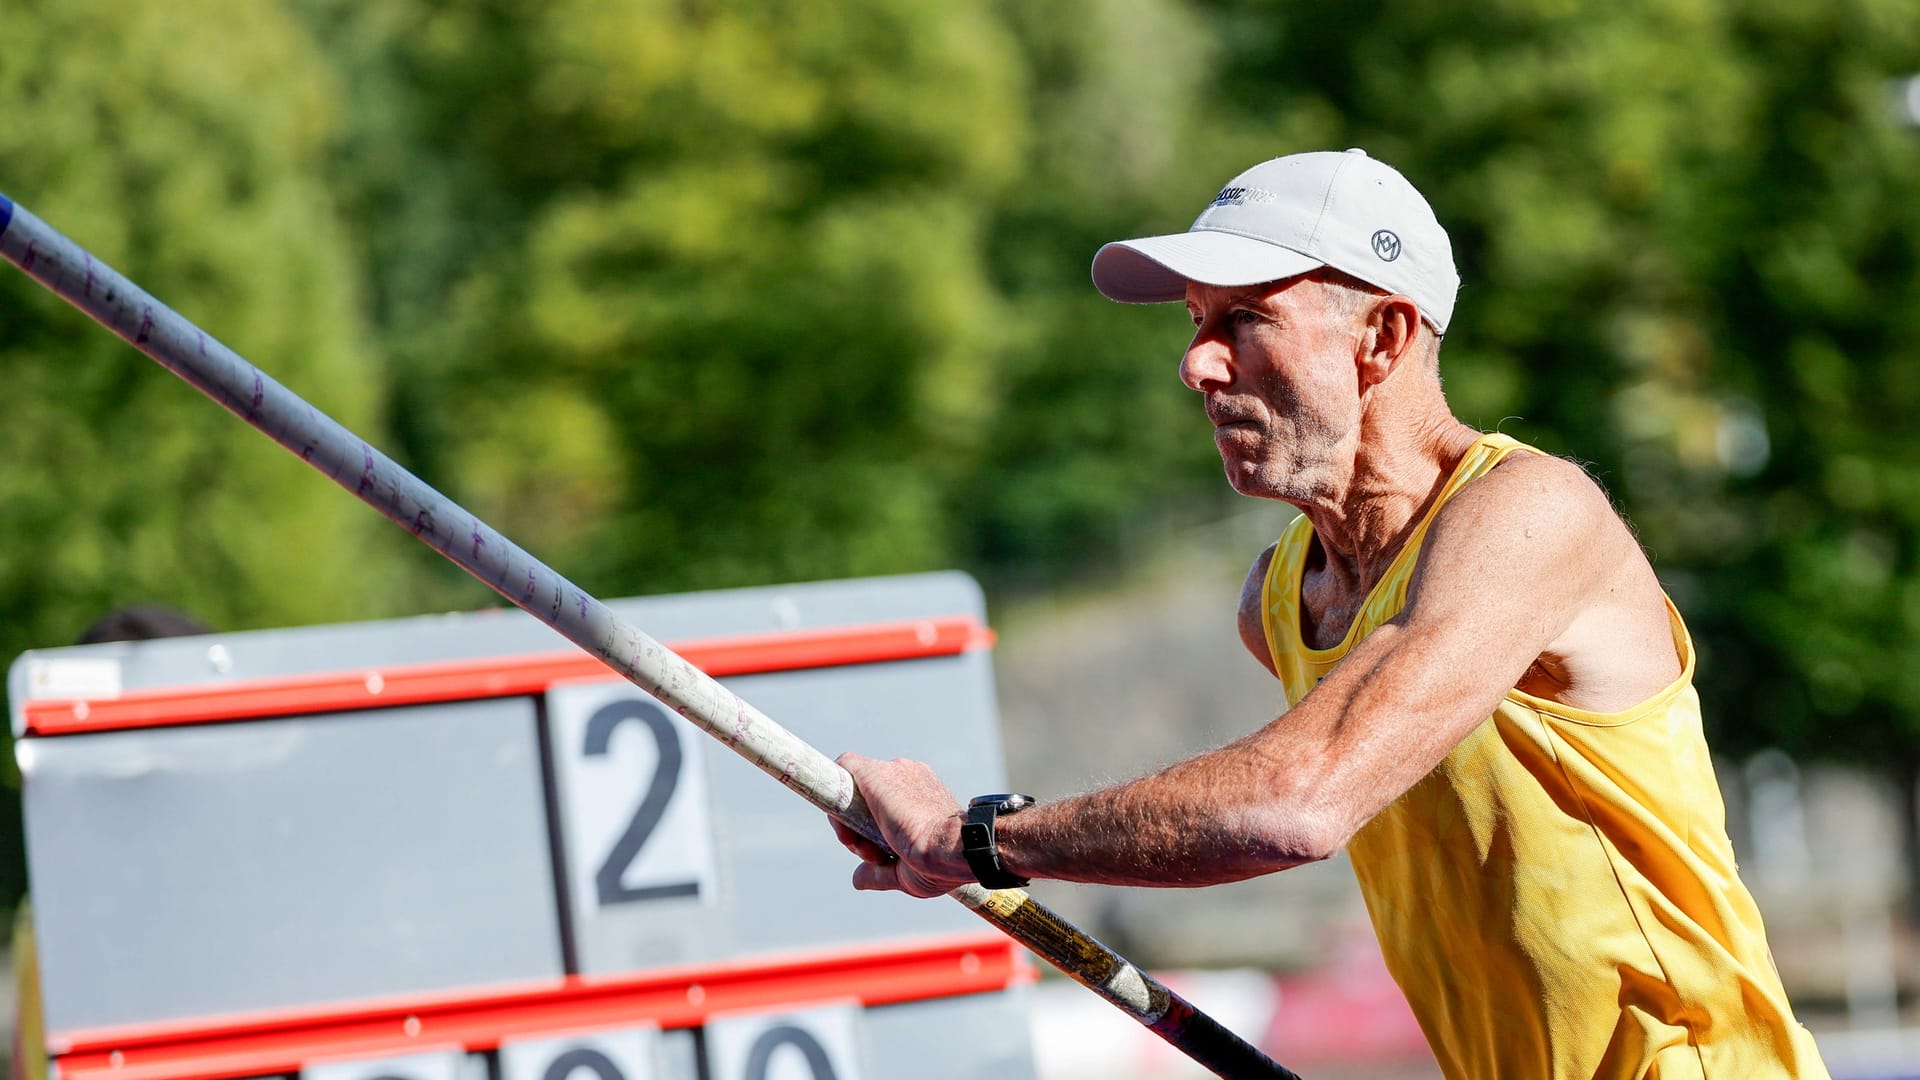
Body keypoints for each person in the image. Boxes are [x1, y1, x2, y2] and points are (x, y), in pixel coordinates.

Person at [831, 149, 1830, 1078]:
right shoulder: (1279, 606)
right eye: (1194, 322)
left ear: (1382, 338)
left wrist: (981, 840)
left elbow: (1294, 803)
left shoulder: (1530, 514)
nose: (1197, 366)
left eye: (1244, 322)